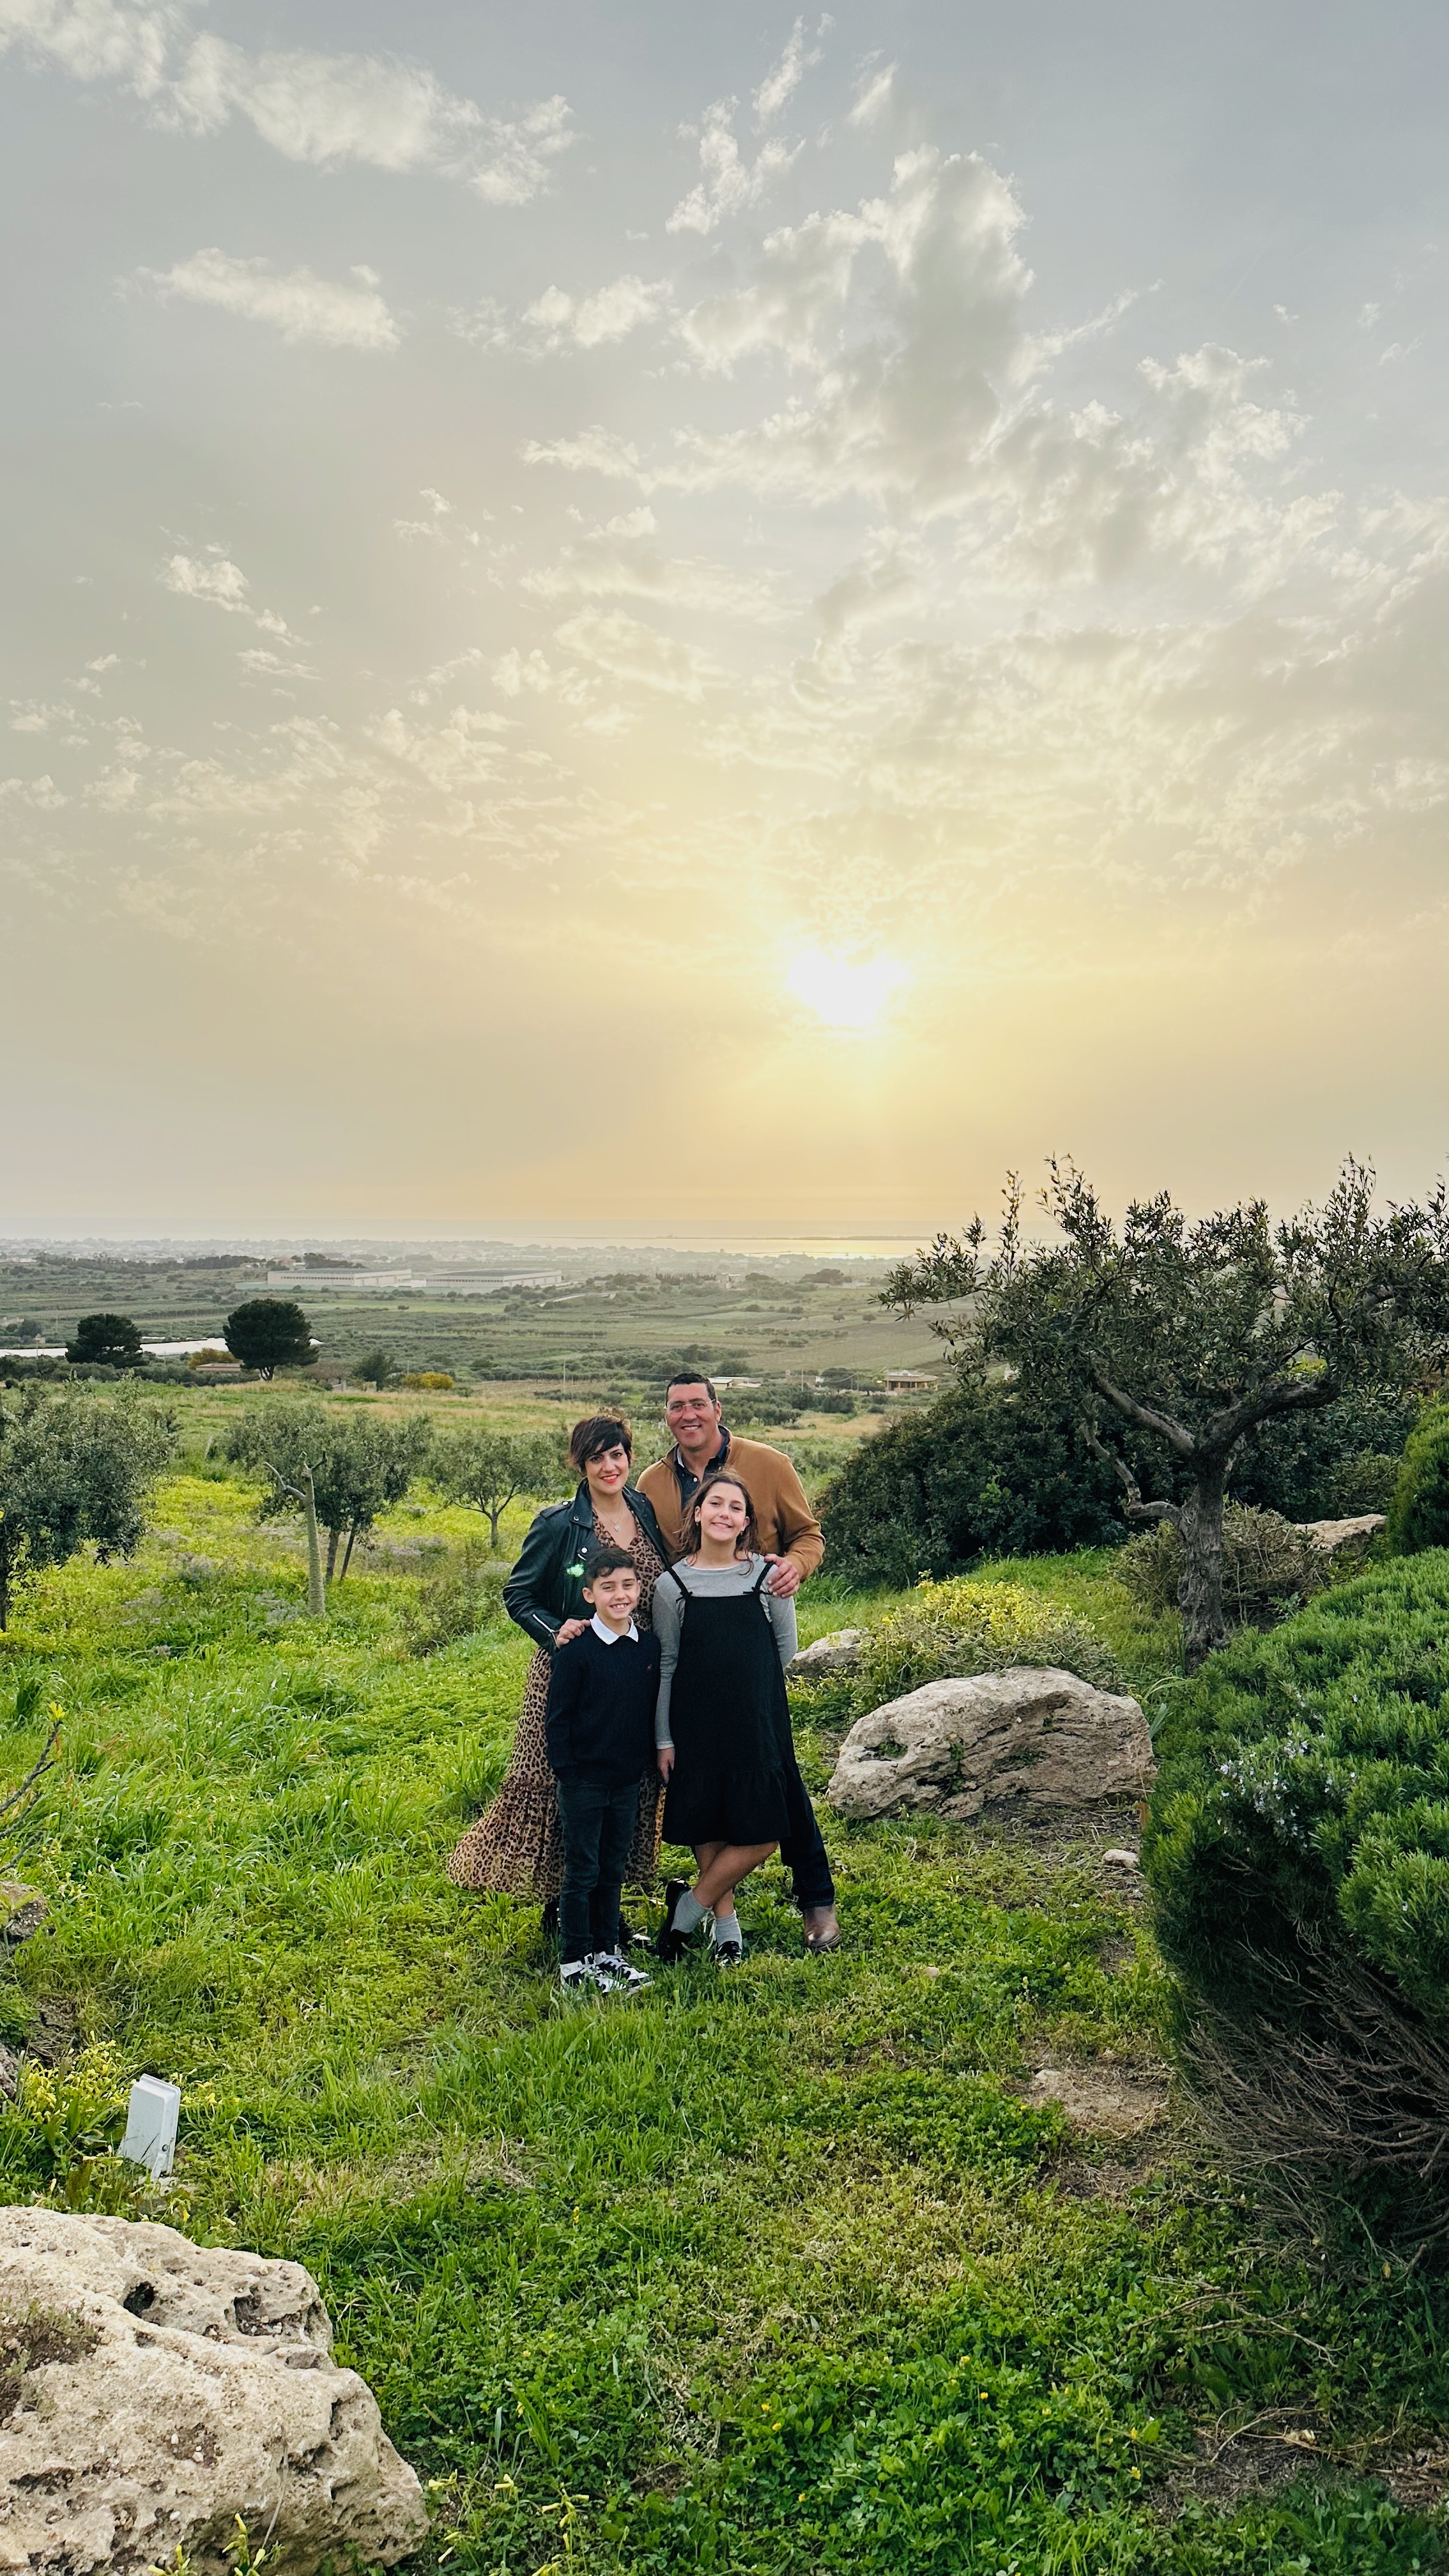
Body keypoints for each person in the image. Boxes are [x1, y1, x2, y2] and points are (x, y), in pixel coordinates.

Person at [636, 1374, 840, 1952]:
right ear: (667, 1416)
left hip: (755, 1634)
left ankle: (816, 1899)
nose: (688, 1415)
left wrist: (793, 1569)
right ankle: (721, 1918)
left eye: (698, 1404)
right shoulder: (653, 1480)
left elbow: (809, 1535)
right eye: (677, 1407)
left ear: (717, 1409)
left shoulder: (769, 1465)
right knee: (706, 1791)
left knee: (783, 1790)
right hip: (695, 1651)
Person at [447, 1414, 672, 1917]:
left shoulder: (645, 1508)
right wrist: (556, 1632)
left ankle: (601, 1915)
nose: (609, 1466)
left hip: (635, 1679)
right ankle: (562, 1913)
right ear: (581, 1463)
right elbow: (518, 1594)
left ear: (629, 1457)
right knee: (566, 1790)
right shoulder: (557, 1523)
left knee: (623, 1789)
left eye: (617, 1454)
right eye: (597, 1457)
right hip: (576, 1677)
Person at [652, 1470, 804, 1965]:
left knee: (762, 1833)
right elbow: (668, 1663)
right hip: (693, 1724)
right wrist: (663, 1737)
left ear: (746, 1522)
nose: (724, 1513)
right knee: (708, 1821)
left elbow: (785, 1651)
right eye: (714, 1503)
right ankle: (727, 1930)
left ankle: (686, 1911)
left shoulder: (768, 1578)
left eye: (735, 1508)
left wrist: (744, 1694)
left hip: (755, 1723)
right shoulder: (671, 1585)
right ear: (697, 1513)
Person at [545, 1545, 659, 1995]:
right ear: (589, 1595)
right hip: (584, 1781)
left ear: (639, 1589)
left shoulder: (647, 1646)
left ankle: (607, 1950)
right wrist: (568, 1772)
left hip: (627, 1779)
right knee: (583, 1869)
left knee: (613, 1867)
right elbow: (558, 1718)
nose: (620, 1595)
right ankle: (575, 1961)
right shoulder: (576, 1652)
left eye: (628, 1586)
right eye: (608, 1587)